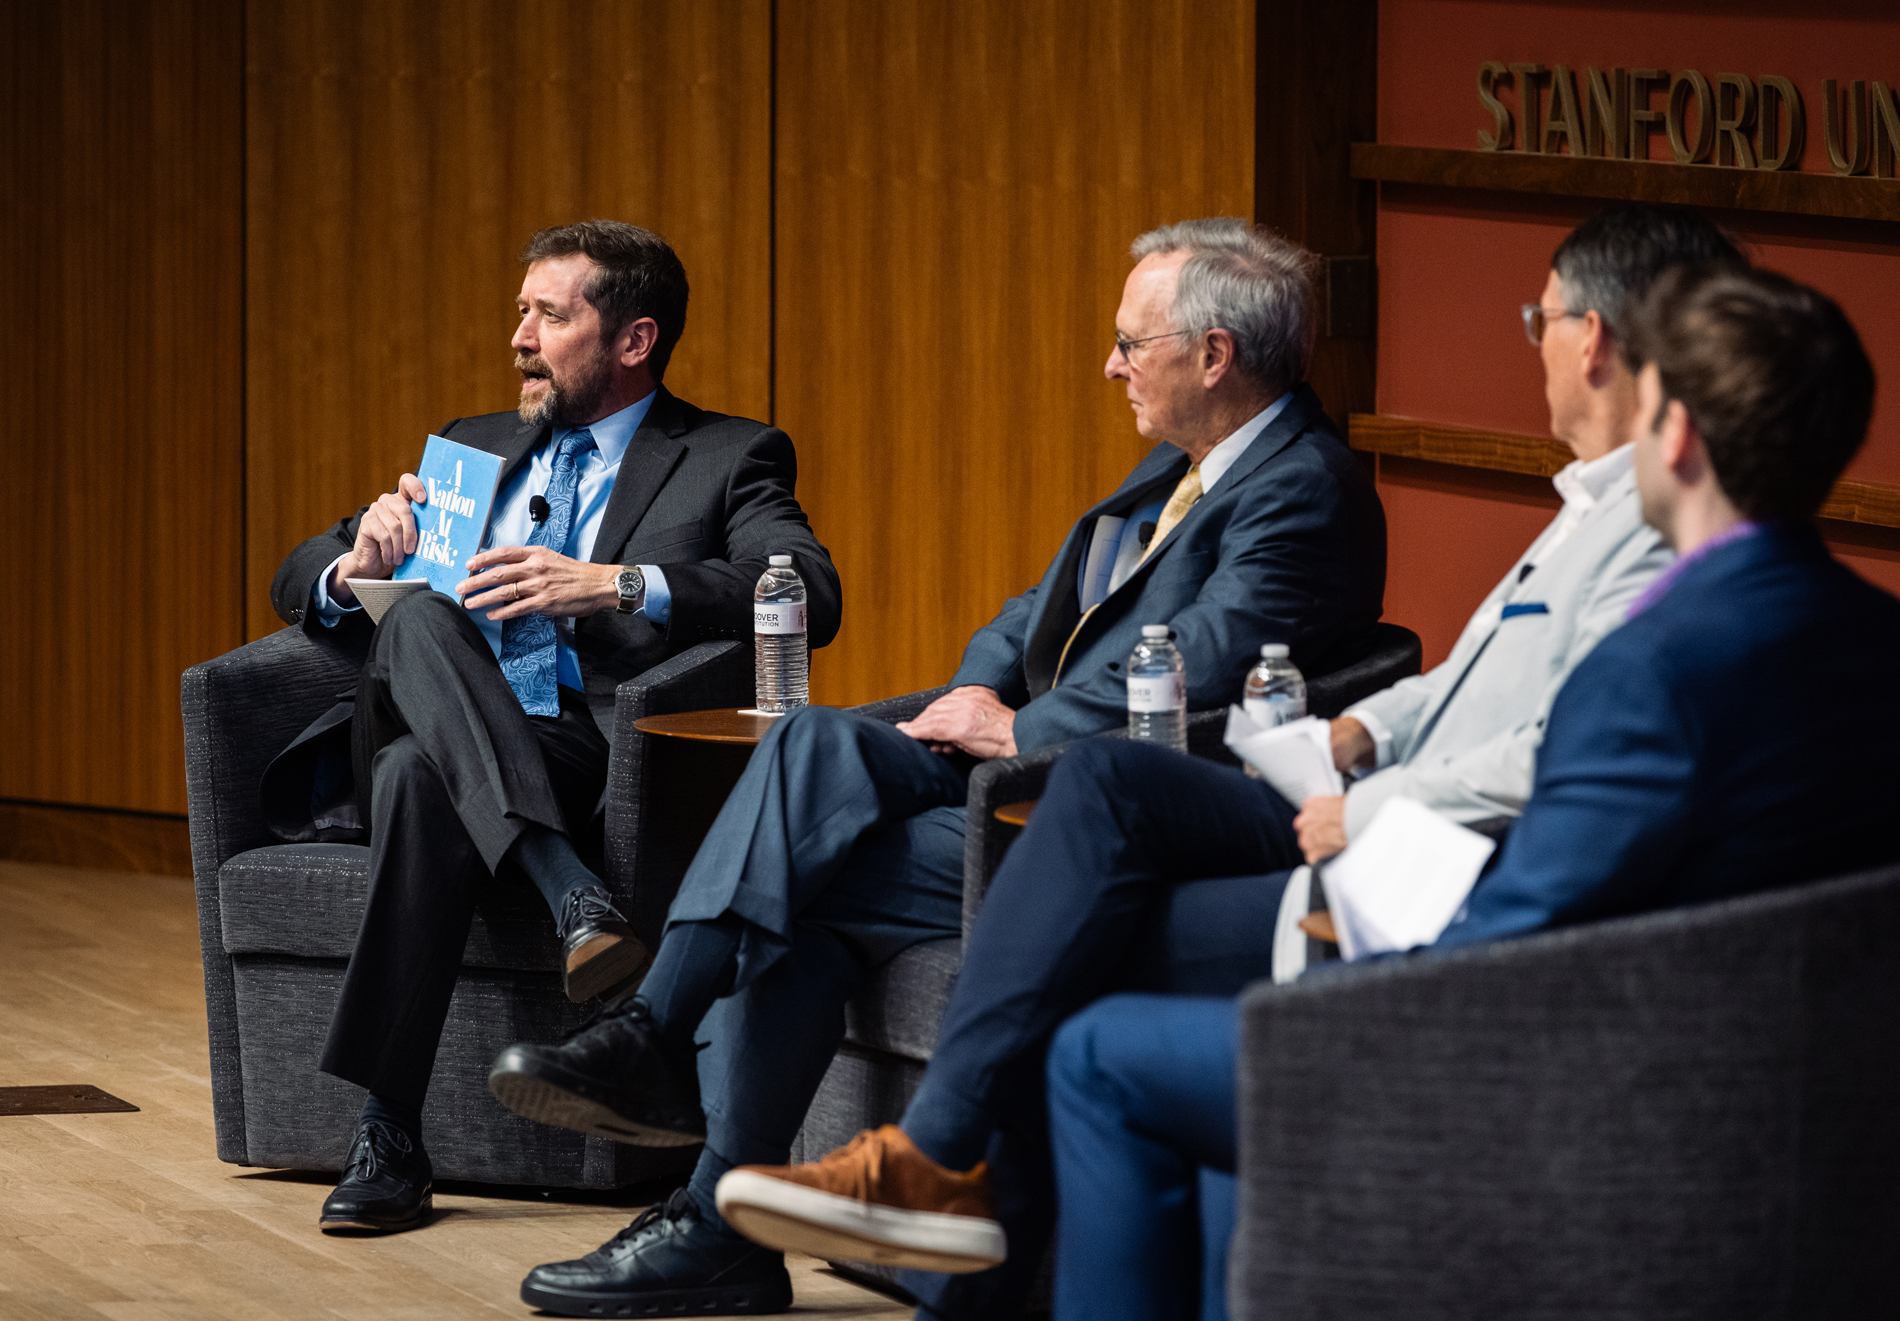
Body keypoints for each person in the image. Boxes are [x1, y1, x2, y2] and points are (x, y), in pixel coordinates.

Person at [705, 204, 1737, 1318]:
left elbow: (1574, 745)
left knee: (1070, 893)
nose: (1527, 338)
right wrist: (1365, 728)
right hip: (1379, 808)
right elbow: (1472, 683)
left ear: (1588, 339)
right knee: (1028, 847)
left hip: (1432, 864)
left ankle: (922, 1164)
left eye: (1534, 316)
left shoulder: (1653, 531)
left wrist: (1376, 795)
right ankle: (905, 1180)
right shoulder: (1586, 504)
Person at [486, 217, 1389, 1318]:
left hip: (1102, 806)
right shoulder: (1177, 466)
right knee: (811, 743)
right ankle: (665, 1070)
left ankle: (700, 1172)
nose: (1108, 364)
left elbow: (1202, 658)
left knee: (799, 889)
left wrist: (1023, 727)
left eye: (1127, 342)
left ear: (1212, 355)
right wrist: (982, 695)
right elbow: (1025, 617)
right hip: (1022, 768)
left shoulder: (1307, 486)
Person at [1037, 260, 1900, 1319]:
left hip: (1587, 1089)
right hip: (1793, 1088)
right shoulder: (1889, 640)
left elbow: (1517, 939)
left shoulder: (1654, 665)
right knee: (1230, 1075)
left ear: (1681, 439)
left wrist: (1335, 950)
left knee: (1103, 1052)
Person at [264, 220, 841, 1236]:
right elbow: (291, 581)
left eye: (549, 314)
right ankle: (571, 894)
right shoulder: (475, 442)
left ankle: (389, 1133)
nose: (520, 337)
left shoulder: (724, 454)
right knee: (427, 622)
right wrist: (355, 559)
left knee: (413, 781)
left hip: (579, 745)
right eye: (520, 311)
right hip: (436, 698)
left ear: (632, 340)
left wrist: (614, 583)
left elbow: (809, 591)